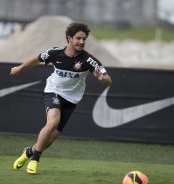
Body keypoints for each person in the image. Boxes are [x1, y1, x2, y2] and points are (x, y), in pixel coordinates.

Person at [10, 22, 112, 174]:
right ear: (69, 39)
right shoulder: (55, 53)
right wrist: (19, 68)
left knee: (52, 138)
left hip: (72, 99)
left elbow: (108, 80)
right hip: (54, 91)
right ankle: (35, 159)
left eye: (84, 39)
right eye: (78, 38)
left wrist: (102, 78)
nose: (82, 42)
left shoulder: (89, 60)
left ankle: (29, 151)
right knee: (53, 122)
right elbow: (36, 59)